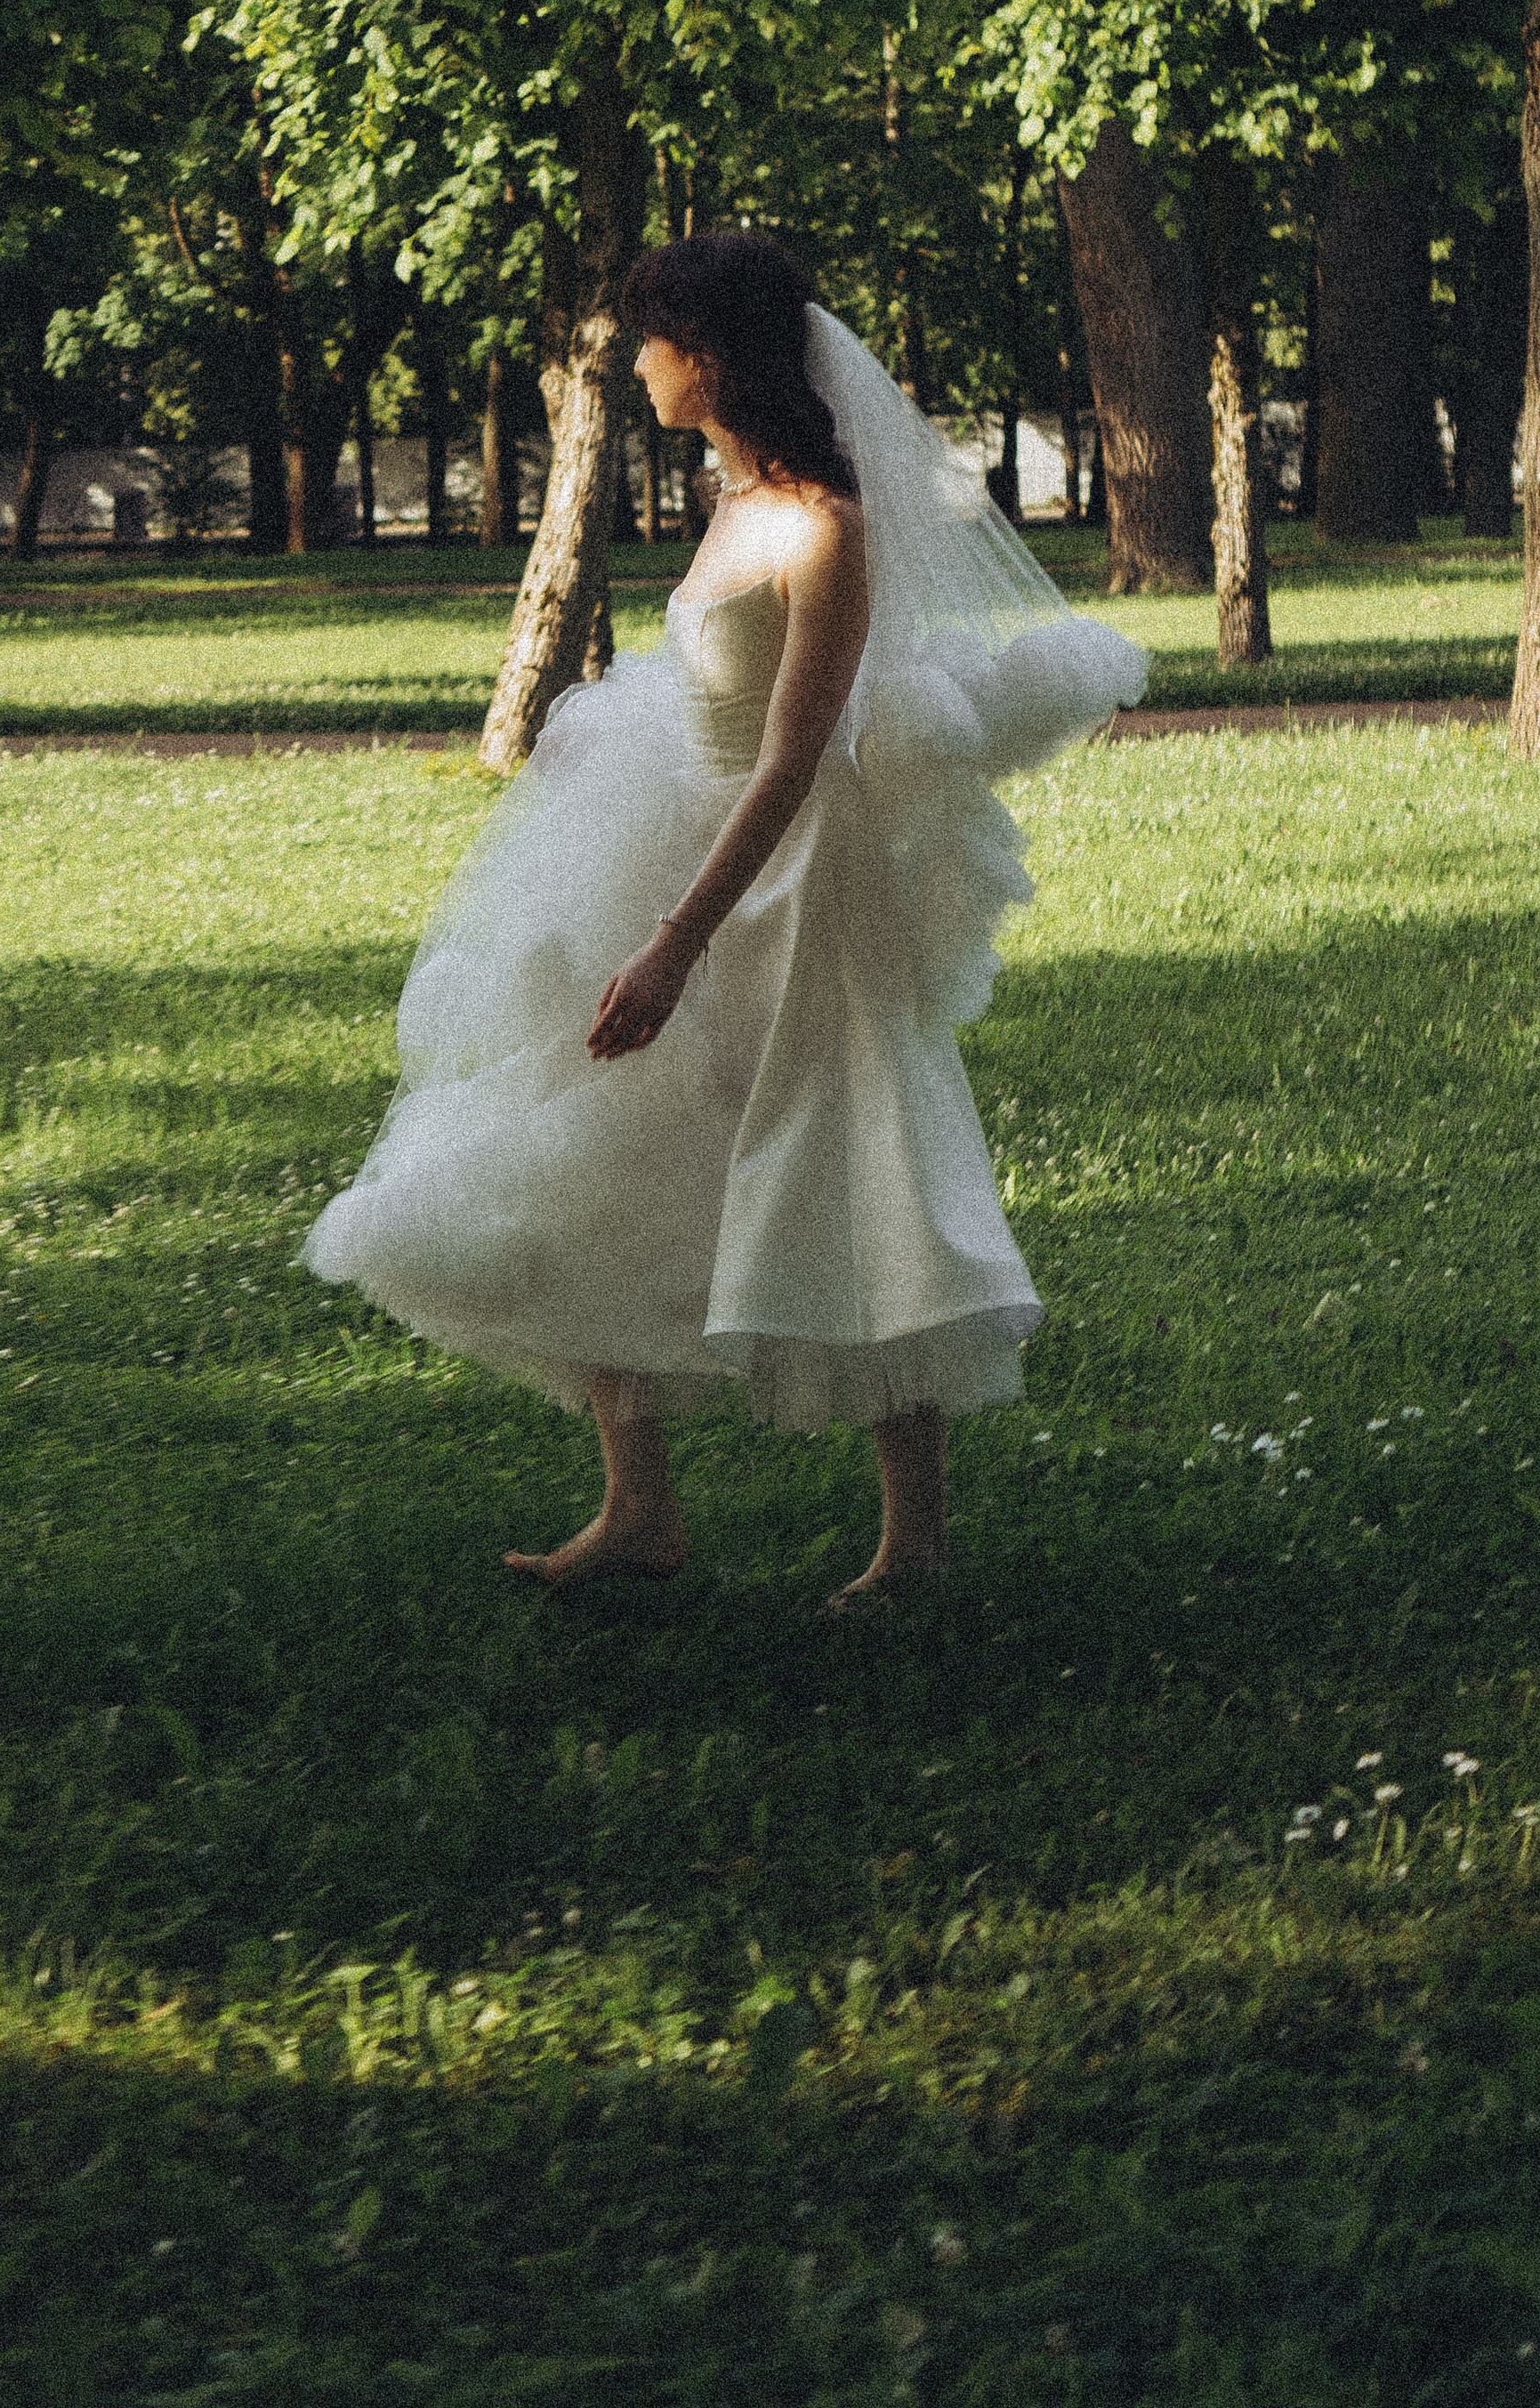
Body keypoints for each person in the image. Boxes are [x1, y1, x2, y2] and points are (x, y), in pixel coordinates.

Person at [305, 234, 1145, 1604]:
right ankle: (639, 1506)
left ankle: (914, 1544)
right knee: (598, 1138)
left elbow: (795, 757)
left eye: (651, 341)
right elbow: (709, 692)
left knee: (851, 1159)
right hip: (675, 839)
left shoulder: (830, 528)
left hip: (796, 884)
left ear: (710, 355)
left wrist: (673, 947)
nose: (634, 364)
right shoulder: (732, 502)